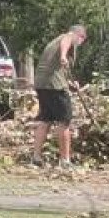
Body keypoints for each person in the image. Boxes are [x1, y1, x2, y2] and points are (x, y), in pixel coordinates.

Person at [31, 23, 87, 168]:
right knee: (64, 121)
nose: (80, 43)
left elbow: (58, 69)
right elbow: (67, 41)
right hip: (55, 86)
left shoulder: (53, 43)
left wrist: (71, 83)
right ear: (79, 35)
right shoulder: (67, 37)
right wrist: (63, 56)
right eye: (82, 40)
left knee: (45, 120)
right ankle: (65, 161)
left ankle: (36, 157)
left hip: (42, 84)